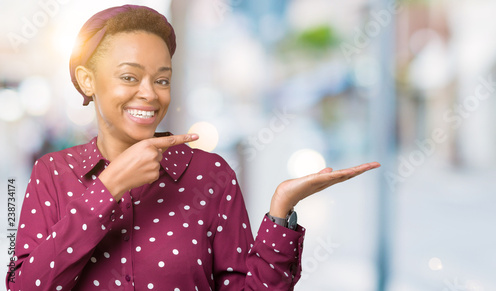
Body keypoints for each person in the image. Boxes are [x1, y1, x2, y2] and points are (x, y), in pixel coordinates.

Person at [5, 5, 380, 291]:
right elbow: (25, 285)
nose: (149, 93)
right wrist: (108, 189)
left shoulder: (210, 175)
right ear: (87, 81)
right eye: (129, 77)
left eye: (162, 79)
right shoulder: (52, 173)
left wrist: (281, 213)